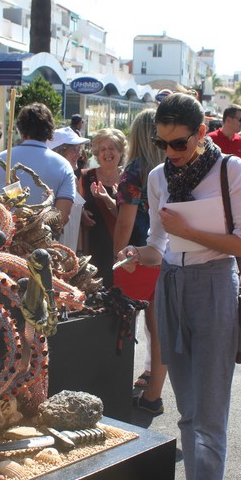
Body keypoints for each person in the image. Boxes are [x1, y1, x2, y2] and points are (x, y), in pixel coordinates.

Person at [116, 93, 241, 480]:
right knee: (187, 409)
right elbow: (159, 244)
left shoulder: (228, 169)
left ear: (201, 132)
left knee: (210, 413)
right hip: (170, 286)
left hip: (214, 284)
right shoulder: (158, 176)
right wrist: (138, 253)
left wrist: (188, 230)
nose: (171, 152)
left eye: (179, 142)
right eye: (162, 143)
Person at [112, 109, 167, 414]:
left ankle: (116, 387)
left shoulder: (136, 169)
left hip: (138, 254)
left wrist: (117, 255)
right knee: (158, 328)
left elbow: (125, 221)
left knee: (122, 323)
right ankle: (153, 395)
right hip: (167, 253)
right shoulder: (170, 166)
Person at [0, 103, 76, 225]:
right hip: (44, 235)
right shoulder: (63, 165)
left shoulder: (1, 159)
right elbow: (62, 216)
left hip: (4, 232)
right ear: (50, 130)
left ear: (20, 128)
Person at [81, 128, 127, 288]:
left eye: (112, 148)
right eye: (102, 149)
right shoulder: (85, 177)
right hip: (93, 249)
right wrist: (81, 212)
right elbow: (75, 205)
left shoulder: (129, 179)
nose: (107, 153)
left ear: (120, 151)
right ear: (97, 153)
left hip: (123, 249)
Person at [49, 126, 90, 252]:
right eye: (75, 149)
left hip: (70, 250)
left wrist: (79, 251)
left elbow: (75, 220)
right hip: (55, 249)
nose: (80, 154)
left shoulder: (74, 179)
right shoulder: (50, 179)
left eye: (80, 149)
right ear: (59, 151)